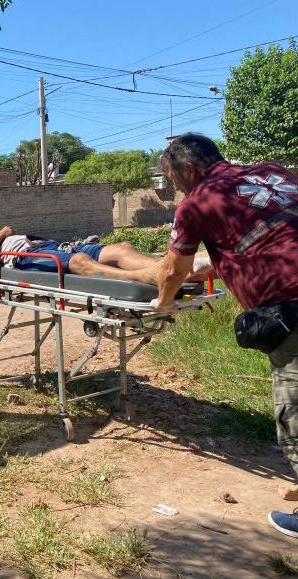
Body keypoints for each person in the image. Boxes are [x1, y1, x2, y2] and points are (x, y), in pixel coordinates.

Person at [154, 132, 298, 539]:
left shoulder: (197, 202)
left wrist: (164, 304)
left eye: (174, 179)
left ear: (189, 169)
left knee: (296, 412)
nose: (176, 188)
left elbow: (171, 271)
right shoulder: (272, 173)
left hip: (292, 307)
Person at [0, 226, 212, 285]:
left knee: (122, 247)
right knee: (81, 263)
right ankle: (150, 276)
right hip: (25, 258)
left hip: (53, 247)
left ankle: (177, 267)